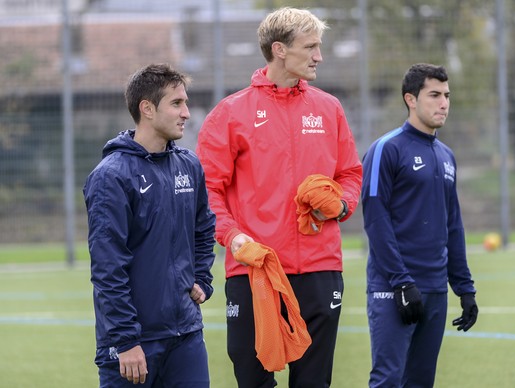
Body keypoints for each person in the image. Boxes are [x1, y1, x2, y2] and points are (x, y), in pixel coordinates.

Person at [195, 7, 362, 388]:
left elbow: (350, 174)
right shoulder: (230, 114)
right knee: (253, 380)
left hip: (321, 269)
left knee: (313, 383)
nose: (319, 55)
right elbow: (207, 192)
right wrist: (234, 237)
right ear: (280, 49)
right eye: (311, 46)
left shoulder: (329, 108)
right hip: (256, 272)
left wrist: (343, 204)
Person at [84, 63, 216, 387]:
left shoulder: (189, 165)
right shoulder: (110, 177)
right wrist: (126, 340)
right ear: (147, 109)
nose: (186, 113)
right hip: (133, 344)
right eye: (176, 103)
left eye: (185, 102)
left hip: (186, 335)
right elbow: (108, 267)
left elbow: (204, 227)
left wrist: (202, 276)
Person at [361, 63, 479, 388]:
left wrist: (464, 289)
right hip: (392, 288)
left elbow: (452, 225)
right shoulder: (386, 149)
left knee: (421, 382)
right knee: (388, 380)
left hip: (435, 290)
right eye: (435, 95)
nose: (444, 103)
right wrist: (400, 282)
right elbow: (375, 218)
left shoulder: (446, 156)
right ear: (410, 99)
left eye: (447, 95)